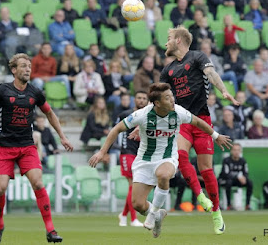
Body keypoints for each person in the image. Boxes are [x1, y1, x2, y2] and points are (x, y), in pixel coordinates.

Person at [89, 83, 232, 238]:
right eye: (167, 98)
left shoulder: (178, 112)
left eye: (171, 96)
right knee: (137, 204)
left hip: (167, 157)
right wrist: (102, 153)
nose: (172, 100)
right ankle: (157, 215)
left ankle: (153, 213)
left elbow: (198, 122)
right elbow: (116, 129)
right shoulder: (142, 115)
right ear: (157, 103)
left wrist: (216, 136)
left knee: (164, 175)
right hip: (144, 161)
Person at [160, 25, 239, 235]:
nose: (165, 42)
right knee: (180, 155)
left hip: (202, 120)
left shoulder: (197, 57)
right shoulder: (167, 70)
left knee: (206, 169)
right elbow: (157, 98)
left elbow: (211, 74)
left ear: (178, 40)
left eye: (168, 38)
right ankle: (199, 195)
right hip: (183, 120)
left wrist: (223, 90)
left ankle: (216, 212)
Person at [0, 53, 73, 243]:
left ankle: (50, 230)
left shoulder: (35, 92)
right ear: (14, 70)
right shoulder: (3, 90)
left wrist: (62, 137)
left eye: (29, 66)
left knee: (38, 183)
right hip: (4, 147)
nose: (28, 69)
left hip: (26, 146)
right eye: (23, 66)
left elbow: (50, 113)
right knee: (0, 188)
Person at [117, 91, 149, 227]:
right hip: (127, 152)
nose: (141, 100)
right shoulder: (126, 115)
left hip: (140, 154)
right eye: (139, 98)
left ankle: (123, 215)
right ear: (134, 100)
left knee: (134, 186)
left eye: (144, 98)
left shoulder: (148, 116)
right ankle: (133, 219)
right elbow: (116, 131)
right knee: (133, 185)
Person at [218, 143, 253, 210]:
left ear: (240, 151)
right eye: (234, 150)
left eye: (238, 150)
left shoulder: (243, 161)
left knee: (249, 183)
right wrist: (237, 176)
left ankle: (247, 205)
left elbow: (246, 172)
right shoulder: (226, 160)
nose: (236, 152)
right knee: (228, 182)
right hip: (225, 180)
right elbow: (226, 174)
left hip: (237, 181)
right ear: (231, 151)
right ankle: (228, 205)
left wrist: (244, 178)